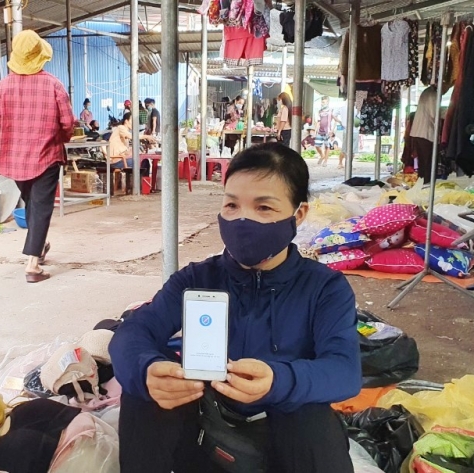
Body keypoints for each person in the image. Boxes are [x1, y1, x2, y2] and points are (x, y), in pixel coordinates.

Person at [109, 143, 362, 473]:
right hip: (206, 428)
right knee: (145, 398)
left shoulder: (325, 288)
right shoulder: (197, 278)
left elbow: (344, 371)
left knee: (310, 417)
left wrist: (278, 381)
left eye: (264, 208)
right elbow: (133, 333)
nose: (243, 220)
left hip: (281, 431)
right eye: (232, 205)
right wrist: (146, 372)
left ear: (298, 214)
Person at [0, 30, 74, 283]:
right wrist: (61, 138)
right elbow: (67, 122)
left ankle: (40, 245)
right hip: (46, 155)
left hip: (15, 160)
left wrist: (0, 141)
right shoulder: (54, 85)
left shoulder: (3, 86)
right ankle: (33, 265)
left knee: (33, 204)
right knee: (40, 206)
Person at [409, 87, 440, 184]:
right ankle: (426, 185)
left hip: (420, 132)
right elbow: (434, 113)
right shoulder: (433, 94)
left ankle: (422, 183)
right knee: (428, 163)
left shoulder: (428, 92)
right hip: (425, 132)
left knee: (423, 162)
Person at [313, 96, 342, 168]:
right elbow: (318, 122)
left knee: (327, 146)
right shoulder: (320, 111)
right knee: (317, 145)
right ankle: (322, 155)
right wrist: (315, 131)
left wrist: (333, 130)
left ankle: (325, 161)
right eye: (322, 102)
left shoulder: (331, 110)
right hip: (320, 131)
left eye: (324, 102)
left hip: (327, 131)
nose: (323, 103)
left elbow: (335, 119)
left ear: (328, 102)